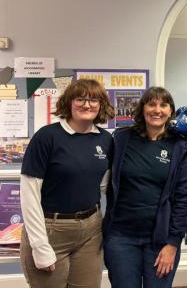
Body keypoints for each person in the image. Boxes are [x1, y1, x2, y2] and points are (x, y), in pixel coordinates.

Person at [20, 79, 115, 288]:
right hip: (51, 229)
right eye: (80, 98)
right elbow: (29, 194)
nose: (87, 104)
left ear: (101, 105)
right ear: (69, 103)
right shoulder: (47, 137)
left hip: (91, 229)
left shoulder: (105, 139)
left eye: (93, 100)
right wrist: (39, 245)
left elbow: (102, 184)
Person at [102, 87, 187, 288]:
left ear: (171, 111)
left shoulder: (179, 147)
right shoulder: (121, 139)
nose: (157, 110)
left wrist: (172, 243)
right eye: (151, 104)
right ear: (142, 109)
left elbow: (184, 198)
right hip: (120, 238)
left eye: (163, 105)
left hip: (160, 240)